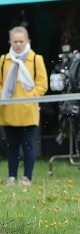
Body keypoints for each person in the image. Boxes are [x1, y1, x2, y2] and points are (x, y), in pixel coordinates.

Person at [0, 26, 47, 186]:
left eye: (21, 41)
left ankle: (27, 177)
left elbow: (42, 84)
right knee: (11, 146)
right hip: (8, 111)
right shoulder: (3, 60)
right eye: (15, 41)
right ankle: (12, 177)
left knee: (28, 144)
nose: (18, 44)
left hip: (28, 111)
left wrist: (29, 96)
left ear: (27, 41)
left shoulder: (36, 59)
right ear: (10, 42)